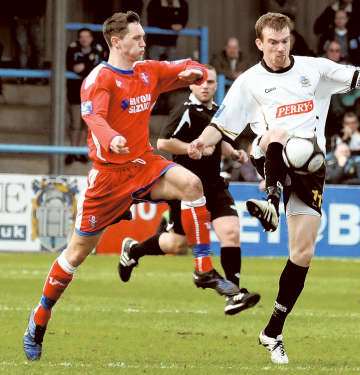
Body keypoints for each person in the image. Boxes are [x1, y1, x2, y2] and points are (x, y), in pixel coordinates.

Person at [187, 12, 360, 364]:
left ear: (291, 40)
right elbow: (222, 125)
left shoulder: (314, 69)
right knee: (278, 135)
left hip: (310, 169)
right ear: (259, 44)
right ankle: (270, 197)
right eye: (272, 42)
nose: (279, 48)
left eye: (284, 41)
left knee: (302, 254)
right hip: (270, 155)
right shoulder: (249, 82)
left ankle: (273, 330)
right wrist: (200, 142)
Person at [22, 11, 240, 362]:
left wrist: (197, 71)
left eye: (142, 37)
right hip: (108, 177)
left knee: (191, 184)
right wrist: (111, 138)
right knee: (76, 253)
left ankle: (203, 269)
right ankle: (40, 318)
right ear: (116, 41)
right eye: (136, 38)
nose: (143, 42)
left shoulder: (147, 72)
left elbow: (180, 65)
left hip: (143, 164)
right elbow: (94, 117)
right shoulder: (99, 79)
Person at [117, 65, 260, 315]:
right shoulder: (184, 110)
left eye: (211, 82)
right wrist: (189, 149)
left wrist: (233, 152)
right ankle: (134, 250)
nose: (205, 86)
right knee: (176, 244)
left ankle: (233, 293)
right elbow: (163, 141)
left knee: (231, 232)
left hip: (214, 184)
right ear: (192, 84)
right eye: (201, 81)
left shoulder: (218, 112)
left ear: (217, 86)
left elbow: (219, 139)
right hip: (185, 188)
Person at [65, 28, 104, 165]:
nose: (84, 39)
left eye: (87, 36)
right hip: (75, 91)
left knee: (85, 124)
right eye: (81, 36)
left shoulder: (98, 48)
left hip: (92, 92)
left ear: (91, 38)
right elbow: (71, 66)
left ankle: (80, 152)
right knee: (75, 123)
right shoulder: (72, 48)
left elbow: (98, 69)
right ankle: (72, 151)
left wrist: (84, 67)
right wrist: (88, 66)